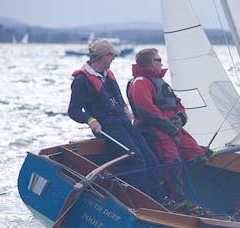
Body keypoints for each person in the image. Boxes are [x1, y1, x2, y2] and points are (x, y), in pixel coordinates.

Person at [67, 40, 166, 203]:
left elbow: (118, 98)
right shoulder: (81, 80)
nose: (113, 57)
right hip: (107, 126)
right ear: (102, 56)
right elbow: (73, 111)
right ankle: (141, 202)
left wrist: (126, 109)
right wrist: (89, 120)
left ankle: (159, 199)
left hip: (123, 122)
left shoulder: (108, 75)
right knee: (135, 159)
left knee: (150, 158)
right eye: (111, 54)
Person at [127, 48, 211, 207]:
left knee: (198, 156)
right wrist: (170, 127)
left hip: (173, 127)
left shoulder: (160, 82)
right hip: (156, 129)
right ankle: (176, 200)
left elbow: (177, 103)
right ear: (152, 62)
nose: (161, 63)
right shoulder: (140, 82)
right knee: (173, 162)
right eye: (158, 60)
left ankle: (178, 192)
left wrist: (180, 117)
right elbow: (146, 110)